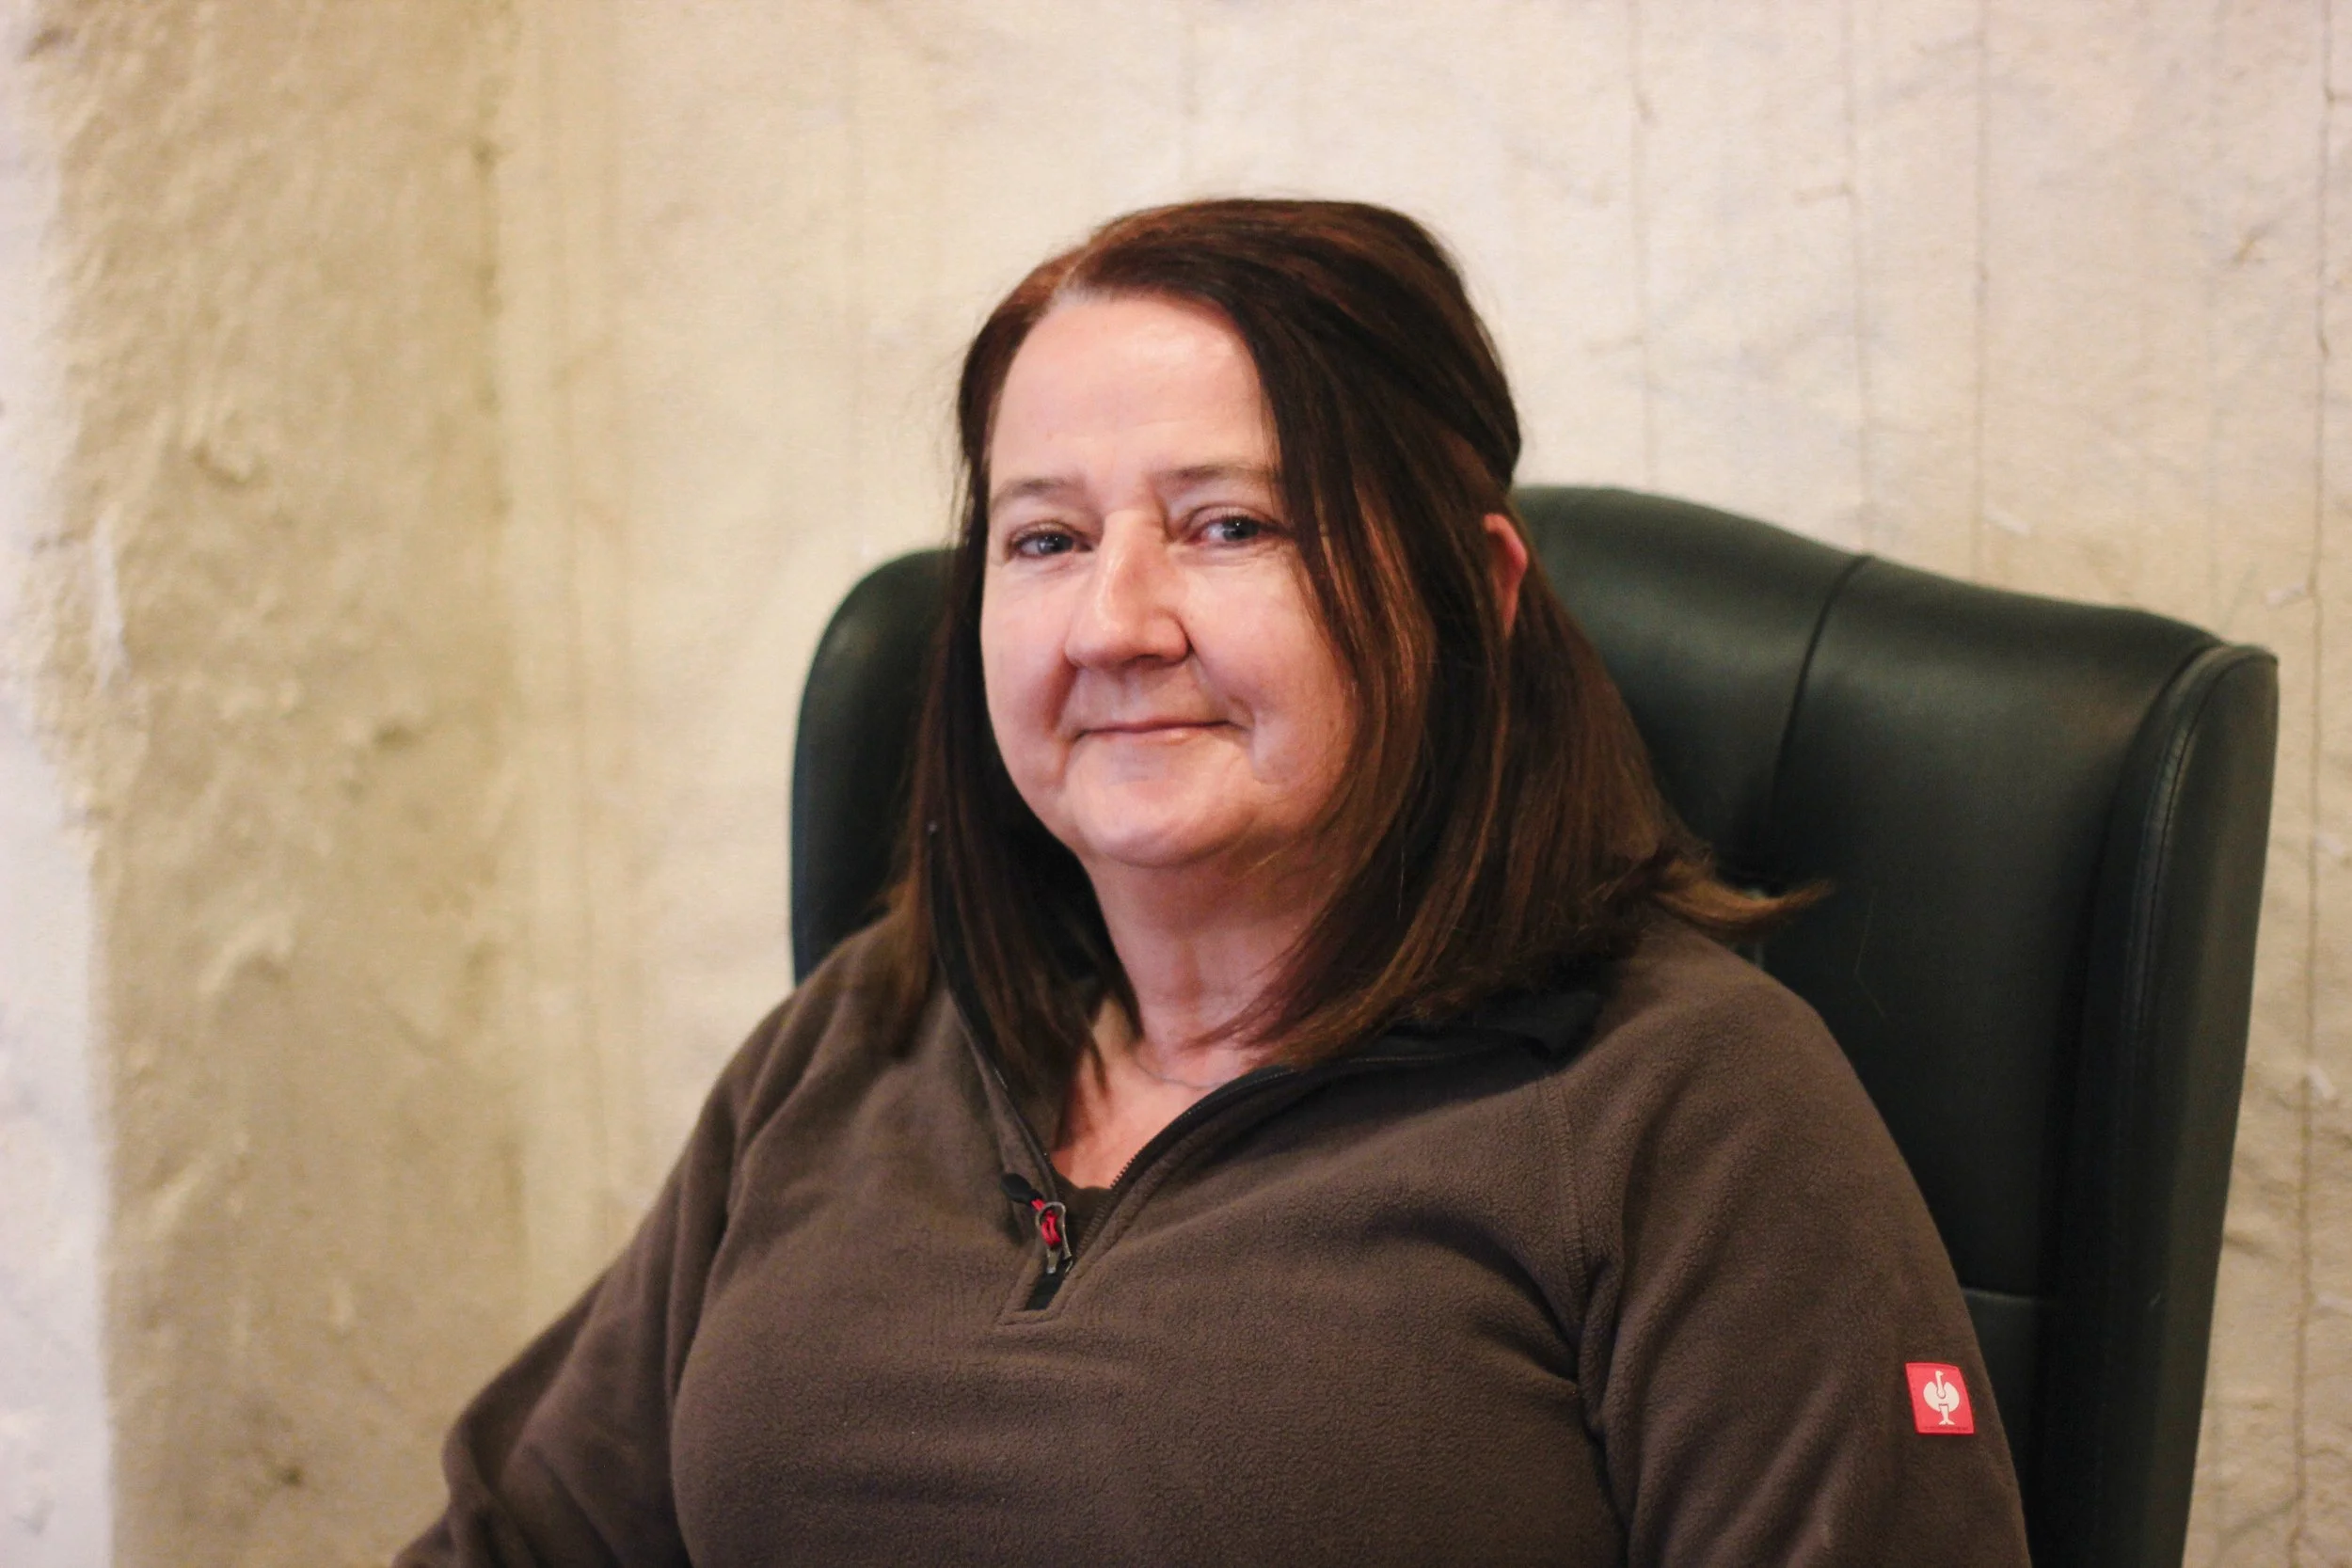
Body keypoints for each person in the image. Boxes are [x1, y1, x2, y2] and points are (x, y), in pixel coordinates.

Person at [399, 198, 2030, 1566]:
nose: (1115, 619)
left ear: (1477, 589)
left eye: (1231, 525)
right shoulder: (864, 1035)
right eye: (1043, 539)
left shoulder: (1681, 1113)